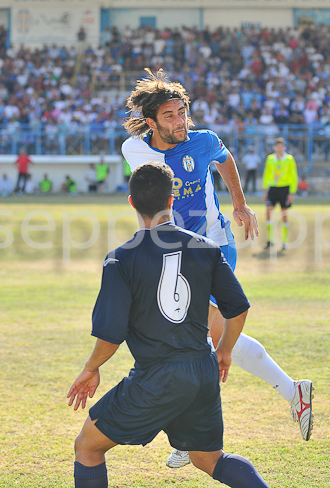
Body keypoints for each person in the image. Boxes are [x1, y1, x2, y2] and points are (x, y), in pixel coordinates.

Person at [121, 70, 313, 470]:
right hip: (177, 253)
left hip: (212, 247)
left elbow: (225, 160)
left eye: (183, 113)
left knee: (199, 336)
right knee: (199, 341)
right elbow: (158, 175)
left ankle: (281, 397)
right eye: (170, 116)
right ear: (152, 123)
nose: (180, 122)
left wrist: (239, 202)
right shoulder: (136, 151)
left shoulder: (203, 140)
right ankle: (286, 393)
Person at [68, 161, 271, 488]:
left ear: (131, 202)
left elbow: (111, 334)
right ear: (172, 200)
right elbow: (238, 308)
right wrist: (225, 352)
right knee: (208, 458)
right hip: (202, 371)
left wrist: (91, 368)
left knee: (88, 446)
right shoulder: (206, 249)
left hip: (157, 378)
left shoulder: (121, 258)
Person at [262, 137, 298, 250]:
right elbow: (266, 174)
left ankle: (284, 241)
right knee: (268, 211)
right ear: (274, 147)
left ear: (284, 147)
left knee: (284, 214)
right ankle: (270, 240)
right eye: (277, 146)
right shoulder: (270, 159)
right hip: (273, 189)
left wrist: (292, 192)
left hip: (285, 189)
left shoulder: (289, 159)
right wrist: (264, 190)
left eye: (281, 146)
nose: (279, 148)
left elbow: (294, 176)